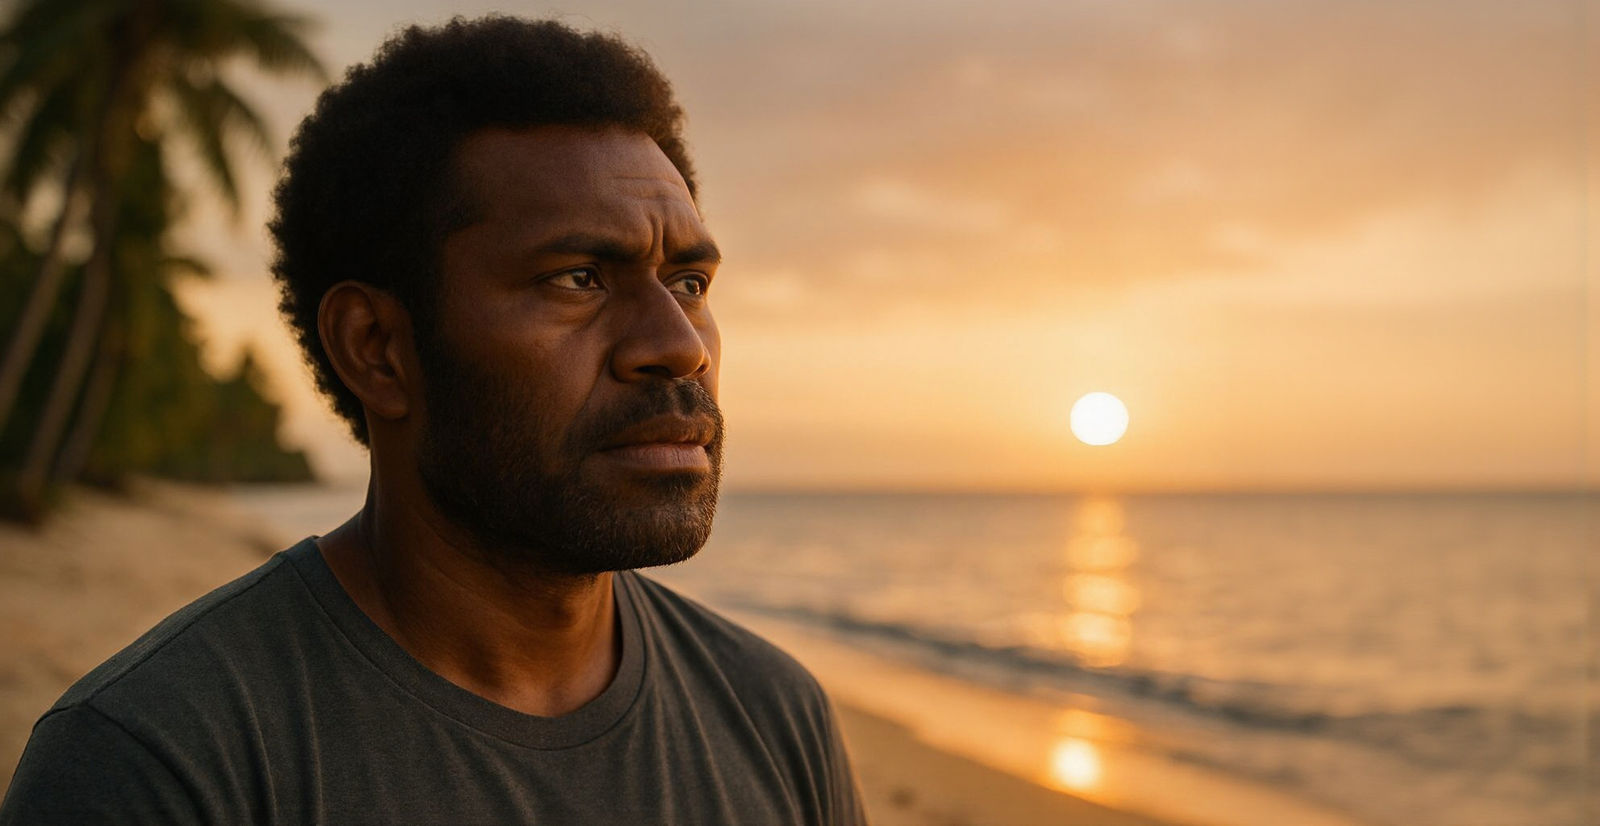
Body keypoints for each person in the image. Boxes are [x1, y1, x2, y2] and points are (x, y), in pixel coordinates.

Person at [0, 16, 867, 825]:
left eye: (689, 283)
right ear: (377, 346)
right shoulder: (162, 763)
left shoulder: (774, 717)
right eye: (578, 277)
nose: (679, 346)